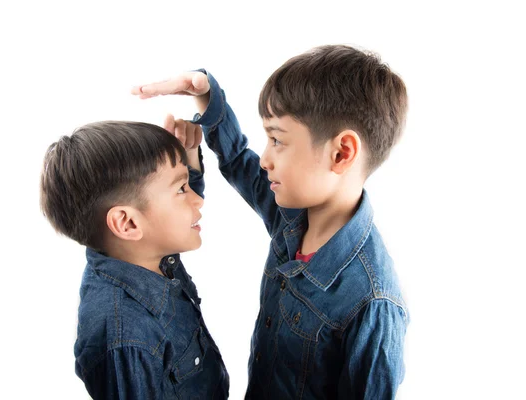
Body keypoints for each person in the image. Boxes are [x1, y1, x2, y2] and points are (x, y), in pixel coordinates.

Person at [133, 44, 409, 399]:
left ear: (341, 153)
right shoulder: (292, 213)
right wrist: (206, 96)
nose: (265, 158)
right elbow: (237, 160)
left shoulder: (373, 303)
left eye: (278, 140)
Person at [39, 117, 229, 399]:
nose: (197, 200)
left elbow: (169, 213)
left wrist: (188, 155)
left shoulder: (136, 248)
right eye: (181, 188)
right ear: (127, 224)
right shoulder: (127, 337)